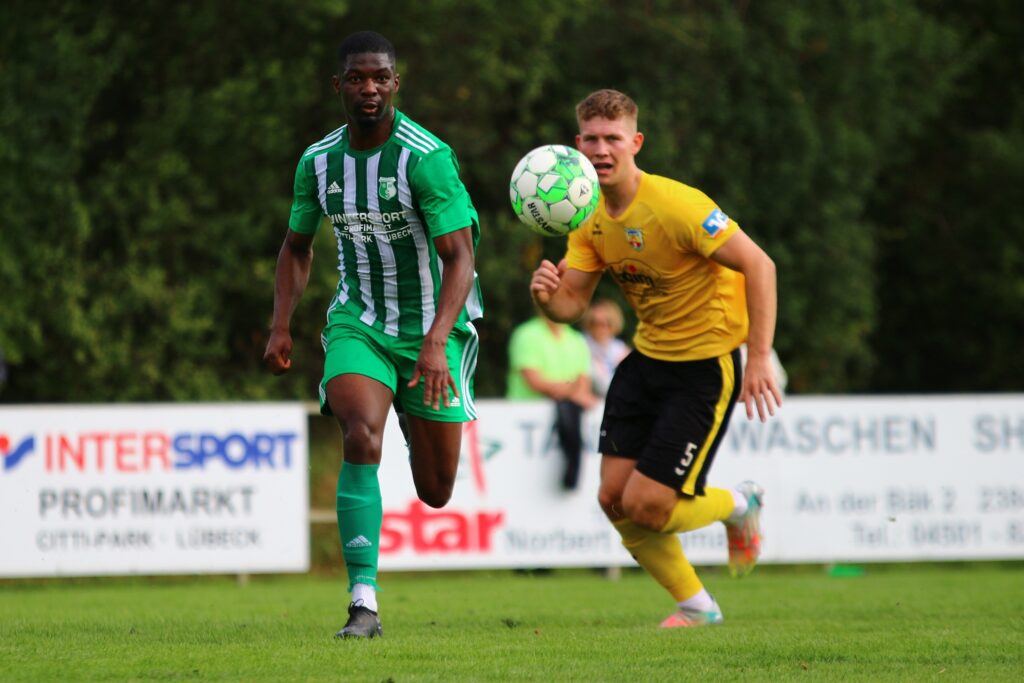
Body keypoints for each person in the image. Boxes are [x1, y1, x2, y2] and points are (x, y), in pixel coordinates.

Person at [529, 89, 781, 628]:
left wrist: (757, 357)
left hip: (704, 369)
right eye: (591, 138)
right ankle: (697, 606)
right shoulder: (586, 214)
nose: (601, 149)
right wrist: (547, 297)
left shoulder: (678, 206)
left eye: (612, 138)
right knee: (614, 501)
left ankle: (739, 505)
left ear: (635, 142)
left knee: (648, 505)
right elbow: (573, 304)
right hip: (645, 362)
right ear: (577, 144)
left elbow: (761, 266)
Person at [263, 31, 483, 639]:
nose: (369, 89)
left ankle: (413, 414)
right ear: (339, 86)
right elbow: (296, 246)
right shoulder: (318, 161)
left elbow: (459, 258)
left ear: (395, 83)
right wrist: (281, 324)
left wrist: (437, 341)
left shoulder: (425, 157)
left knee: (436, 493)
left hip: (436, 329)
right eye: (357, 78)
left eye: (380, 77)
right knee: (359, 434)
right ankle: (364, 604)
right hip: (357, 320)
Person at [507, 313, 597, 490]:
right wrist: (571, 391)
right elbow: (534, 380)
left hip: (561, 418)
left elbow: (584, 382)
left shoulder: (576, 339)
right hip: (523, 420)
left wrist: (566, 391)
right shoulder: (526, 334)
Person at [581, 299, 630, 398]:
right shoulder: (581, 343)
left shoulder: (620, 348)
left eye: (606, 323)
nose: (601, 328)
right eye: (595, 323)